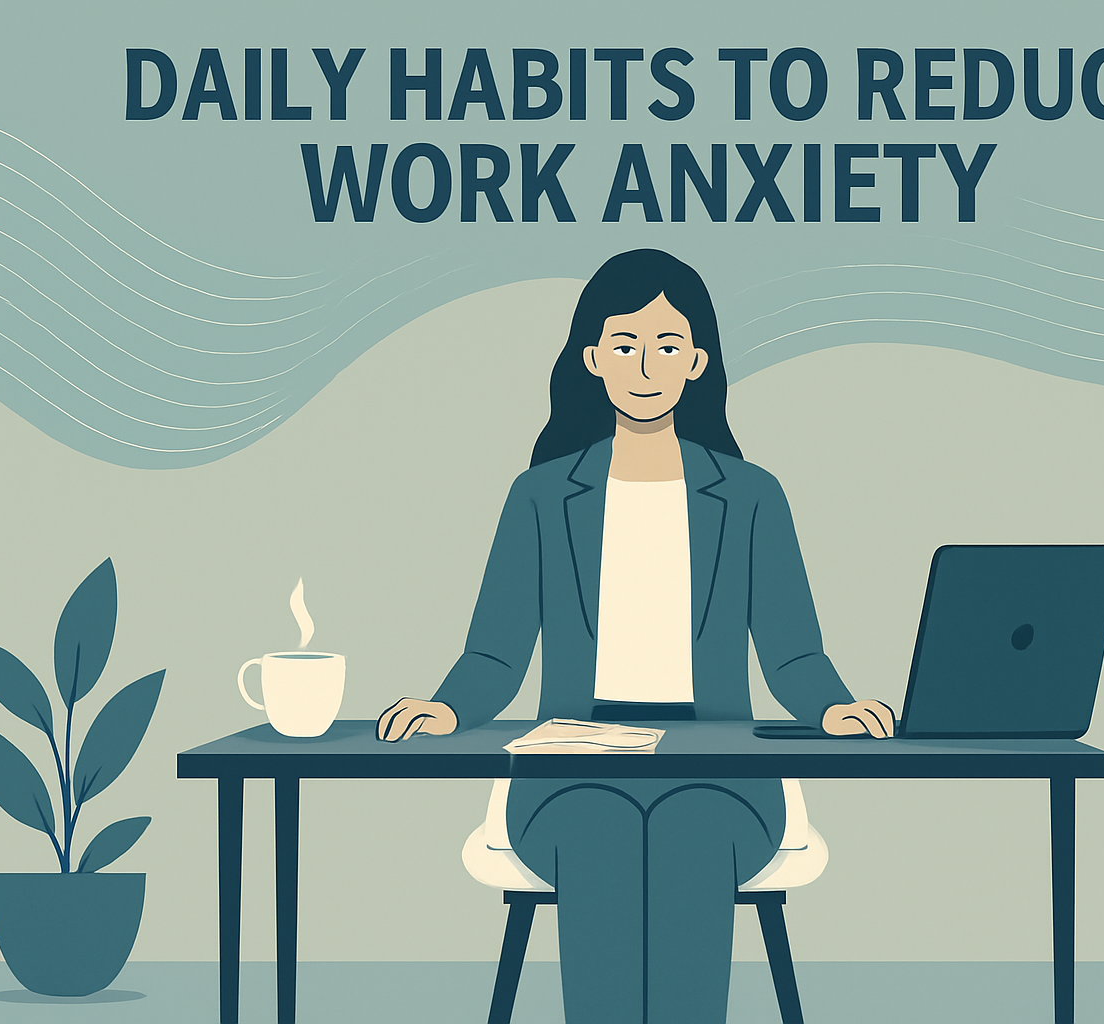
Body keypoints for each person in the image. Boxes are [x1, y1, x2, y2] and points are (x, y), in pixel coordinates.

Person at [377, 248, 893, 1024]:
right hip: (569, 765)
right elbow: (495, 650)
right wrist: (448, 709)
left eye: (664, 345)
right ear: (592, 358)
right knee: (603, 831)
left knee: (687, 831)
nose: (643, 365)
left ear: (697, 360)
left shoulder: (751, 497)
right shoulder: (541, 496)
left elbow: (793, 652)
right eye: (623, 345)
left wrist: (833, 708)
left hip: (722, 770)